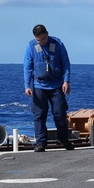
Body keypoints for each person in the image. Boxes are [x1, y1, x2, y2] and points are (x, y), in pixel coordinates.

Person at [23, 24, 73, 152]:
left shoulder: (58, 44)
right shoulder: (31, 46)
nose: (42, 42)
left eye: (43, 39)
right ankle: (40, 142)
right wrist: (27, 85)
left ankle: (63, 139)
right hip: (39, 86)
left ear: (47, 34)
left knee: (59, 113)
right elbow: (28, 67)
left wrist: (66, 81)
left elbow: (66, 63)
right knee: (39, 115)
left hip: (56, 85)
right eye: (39, 40)